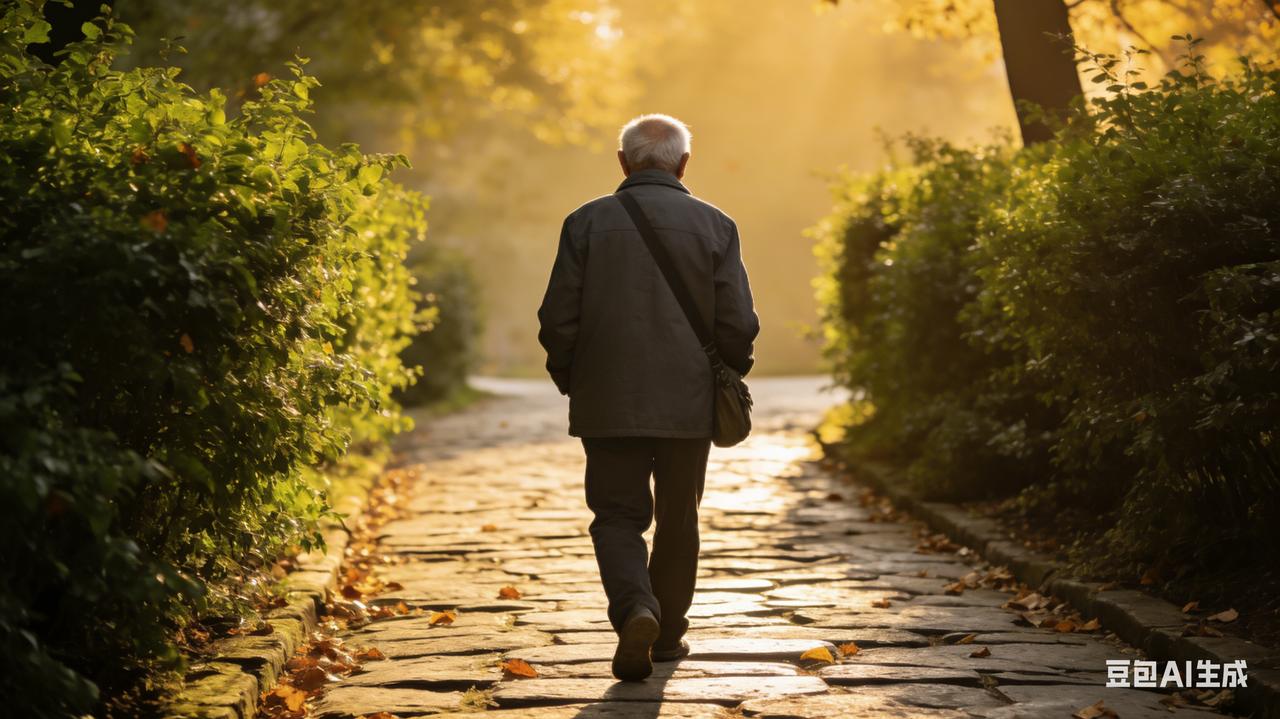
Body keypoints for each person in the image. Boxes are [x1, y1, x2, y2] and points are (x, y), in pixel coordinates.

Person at [536, 113, 760, 681]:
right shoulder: (716, 225)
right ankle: (667, 639)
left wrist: (575, 377)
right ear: (684, 165)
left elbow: (557, 317)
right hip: (688, 401)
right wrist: (730, 372)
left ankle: (636, 608)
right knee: (679, 518)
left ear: (623, 162)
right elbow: (737, 320)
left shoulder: (584, 223)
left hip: (608, 399)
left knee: (616, 515)